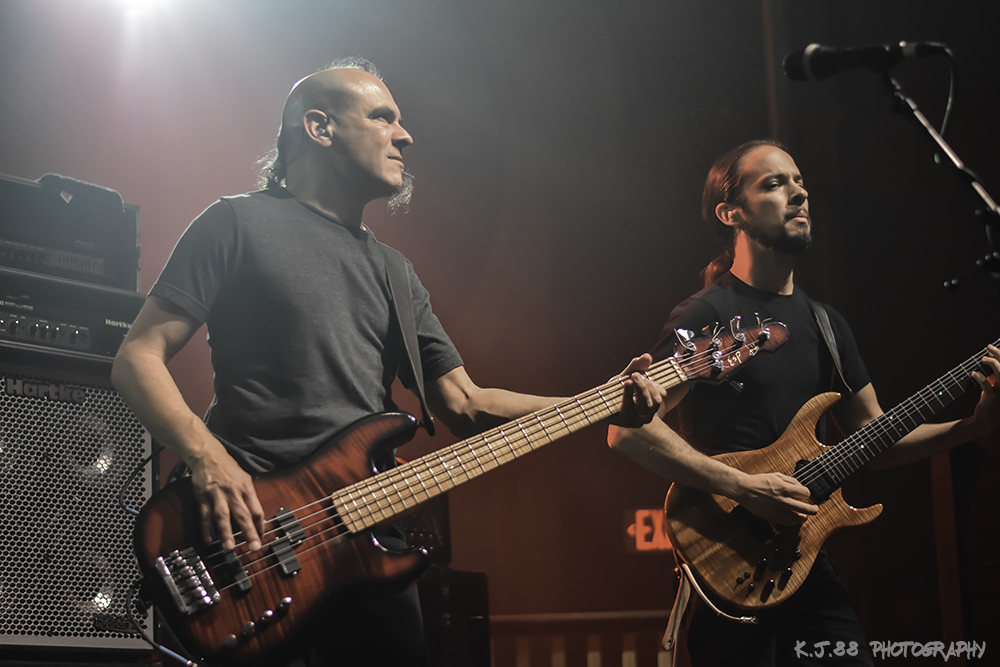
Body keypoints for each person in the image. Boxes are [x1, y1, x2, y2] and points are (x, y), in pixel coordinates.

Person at [112, 58, 665, 666]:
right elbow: (138, 356)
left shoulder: (395, 273)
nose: (405, 136)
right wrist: (206, 458)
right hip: (250, 537)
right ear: (319, 128)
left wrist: (603, 401)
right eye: (383, 118)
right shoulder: (235, 223)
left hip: (366, 536)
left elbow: (466, 402)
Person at [607, 139, 1000, 666]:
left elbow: (877, 440)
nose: (799, 192)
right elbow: (629, 429)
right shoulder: (708, 315)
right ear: (732, 213)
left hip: (804, 566)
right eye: (773, 183)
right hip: (729, 566)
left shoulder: (827, 326)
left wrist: (972, 427)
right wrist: (745, 487)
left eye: (798, 180)